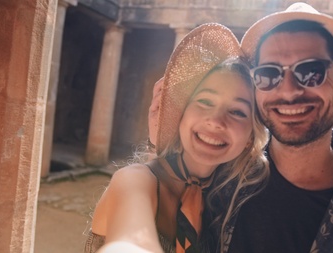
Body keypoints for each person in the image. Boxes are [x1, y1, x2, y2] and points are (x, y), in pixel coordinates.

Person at [147, 2, 333, 253]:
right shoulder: (221, 173)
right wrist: (160, 136)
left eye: (311, 71)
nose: (288, 91)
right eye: (269, 74)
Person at [84, 23, 269, 253]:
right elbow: (130, 241)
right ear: (181, 112)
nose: (216, 121)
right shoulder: (135, 180)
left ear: (251, 136)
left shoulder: (226, 200)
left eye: (238, 112)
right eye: (205, 101)